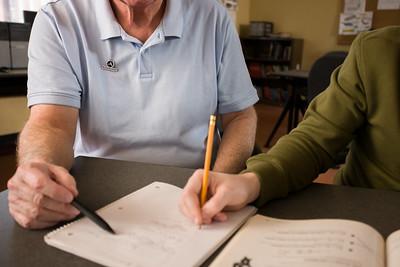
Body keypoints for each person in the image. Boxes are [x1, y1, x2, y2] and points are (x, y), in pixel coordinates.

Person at [7, 0, 259, 229]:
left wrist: (219, 180)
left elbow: (240, 117)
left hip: (196, 187)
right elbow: (52, 124)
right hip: (95, 196)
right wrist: (39, 170)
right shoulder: (59, 19)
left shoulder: (213, 16)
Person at [180, 26, 400, 225]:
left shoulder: (213, 19)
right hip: (361, 214)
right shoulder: (377, 51)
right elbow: (313, 140)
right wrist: (251, 181)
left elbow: (241, 116)